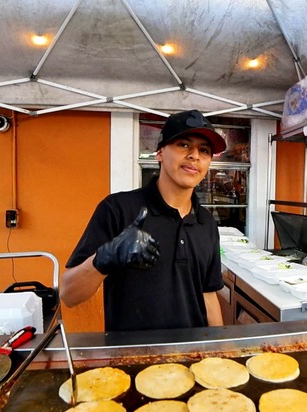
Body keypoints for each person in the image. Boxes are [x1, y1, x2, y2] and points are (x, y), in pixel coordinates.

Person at [60, 109, 226, 331]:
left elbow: (208, 295)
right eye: (183, 145)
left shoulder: (206, 223)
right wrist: (104, 258)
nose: (194, 155)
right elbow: (69, 295)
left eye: (204, 150)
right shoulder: (118, 209)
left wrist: (218, 352)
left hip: (191, 357)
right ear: (159, 153)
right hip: (131, 357)